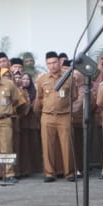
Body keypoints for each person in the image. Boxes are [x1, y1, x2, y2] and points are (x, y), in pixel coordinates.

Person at [34, 51, 76, 182]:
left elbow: (74, 96)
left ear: (59, 63)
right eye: (49, 63)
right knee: (48, 146)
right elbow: (39, 98)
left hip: (64, 116)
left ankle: (69, 173)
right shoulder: (42, 79)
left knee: (67, 145)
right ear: (46, 64)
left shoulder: (69, 78)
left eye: (54, 62)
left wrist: (62, 105)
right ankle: (49, 173)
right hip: (47, 116)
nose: (52, 66)